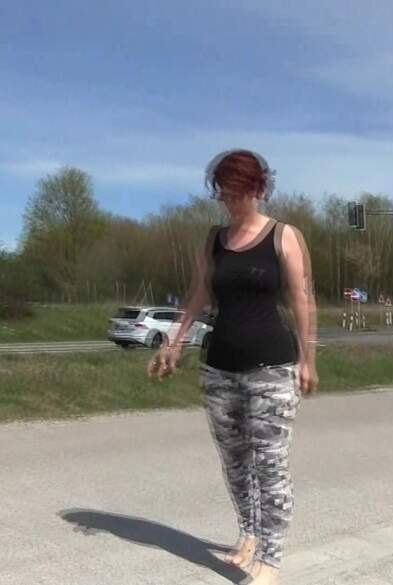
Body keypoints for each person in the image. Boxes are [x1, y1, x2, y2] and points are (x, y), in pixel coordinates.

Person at [147, 149, 318, 585]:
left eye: (236, 193)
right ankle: (248, 533)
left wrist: (307, 359)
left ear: (257, 190)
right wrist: (174, 342)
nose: (229, 202)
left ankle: (271, 558)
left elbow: (302, 300)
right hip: (219, 367)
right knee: (236, 462)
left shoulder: (283, 236)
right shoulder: (214, 240)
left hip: (272, 368)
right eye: (223, 194)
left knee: (270, 464)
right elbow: (198, 294)